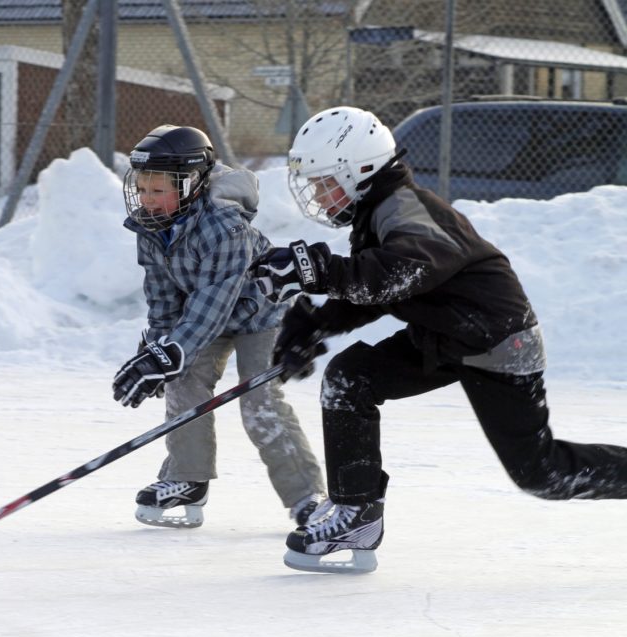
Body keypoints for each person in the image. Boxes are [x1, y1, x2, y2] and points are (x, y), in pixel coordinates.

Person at [250, 105, 627, 573]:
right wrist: (317, 324)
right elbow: (382, 289)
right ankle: (356, 514)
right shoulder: (376, 212)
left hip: (495, 344)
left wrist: (318, 270)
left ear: (358, 170)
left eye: (325, 182)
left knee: (542, 472)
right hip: (445, 337)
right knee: (351, 378)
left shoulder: (405, 209)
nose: (319, 196)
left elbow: (399, 273)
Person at [112, 124, 326, 530]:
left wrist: (173, 351)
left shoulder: (224, 226)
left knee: (259, 402)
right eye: (141, 189)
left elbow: (214, 302)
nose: (147, 199)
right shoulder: (151, 226)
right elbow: (163, 301)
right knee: (183, 381)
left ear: (190, 184)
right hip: (205, 315)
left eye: (158, 190)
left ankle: (307, 497)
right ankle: (187, 479)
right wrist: (159, 351)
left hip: (260, 314)